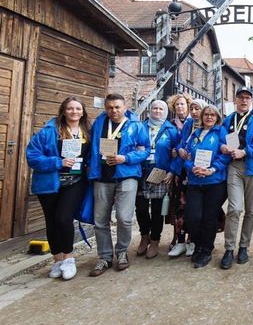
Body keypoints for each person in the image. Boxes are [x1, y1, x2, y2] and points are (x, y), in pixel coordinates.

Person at [26, 97, 91, 280]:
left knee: (63, 218)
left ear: (83, 112)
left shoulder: (87, 132)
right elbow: (32, 156)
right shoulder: (49, 131)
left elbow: (91, 155)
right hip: (50, 183)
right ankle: (57, 259)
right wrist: (57, 162)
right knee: (52, 222)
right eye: (70, 108)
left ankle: (69, 258)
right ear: (63, 111)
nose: (74, 112)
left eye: (78, 108)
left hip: (75, 182)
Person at [87, 93, 150, 276]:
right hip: (101, 176)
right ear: (106, 107)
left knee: (124, 218)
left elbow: (145, 150)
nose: (113, 111)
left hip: (126, 175)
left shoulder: (136, 125)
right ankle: (105, 256)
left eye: (117, 107)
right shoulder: (99, 123)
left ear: (125, 107)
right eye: (110, 107)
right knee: (100, 220)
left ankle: (122, 252)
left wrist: (126, 158)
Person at [219, 87, 253, 269]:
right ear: (236, 100)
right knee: (234, 208)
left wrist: (246, 151)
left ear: (252, 101)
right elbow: (220, 137)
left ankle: (243, 247)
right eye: (241, 97)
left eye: (248, 98)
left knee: (251, 211)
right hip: (234, 167)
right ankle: (229, 248)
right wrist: (224, 147)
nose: (244, 101)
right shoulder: (229, 119)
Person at [184, 105, 231, 268]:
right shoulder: (194, 134)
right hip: (195, 181)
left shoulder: (222, 132)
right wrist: (192, 168)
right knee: (193, 217)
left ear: (217, 117)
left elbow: (226, 156)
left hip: (214, 182)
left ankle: (206, 249)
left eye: (212, 115)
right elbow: (187, 156)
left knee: (209, 218)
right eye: (206, 115)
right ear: (202, 117)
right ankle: (197, 244)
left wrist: (211, 169)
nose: (209, 117)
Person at [135, 100, 177, 259]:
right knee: (141, 207)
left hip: (160, 172)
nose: (157, 111)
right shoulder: (140, 127)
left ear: (165, 112)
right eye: (154, 108)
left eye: (161, 109)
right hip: (141, 171)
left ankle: (154, 240)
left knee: (158, 209)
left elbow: (176, 153)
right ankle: (144, 236)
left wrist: (172, 171)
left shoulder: (170, 130)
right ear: (149, 110)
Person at [168, 98, 207, 258]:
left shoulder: (209, 126)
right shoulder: (188, 125)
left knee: (194, 209)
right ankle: (180, 241)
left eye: (197, 108)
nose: (194, 112)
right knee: (180, 207)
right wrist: (179, 149)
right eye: (192, 108)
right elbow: (180, 143)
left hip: (199, 173)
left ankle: (193, 240)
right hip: (183, 171)